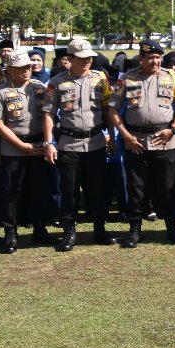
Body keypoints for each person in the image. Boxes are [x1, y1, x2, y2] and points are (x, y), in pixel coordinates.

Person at [109, 41, 175, 247]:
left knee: (167, 187)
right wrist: (126, 136)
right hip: (136, 141)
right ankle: (135, 230)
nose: (154, 61)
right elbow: (112, 110)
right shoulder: (127, 78)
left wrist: (173, 130)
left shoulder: (170, 76)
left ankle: (172, 228)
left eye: (157, 57)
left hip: (165, 139)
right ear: (141, 59)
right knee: (136, 188)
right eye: (150, 58)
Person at [43, 37, 116, 251]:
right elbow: (48, 114)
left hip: (95, 143)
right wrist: (49, 142)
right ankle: (69, 232)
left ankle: (99, 229)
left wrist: (110, 137)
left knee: (97, 189)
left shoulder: (100, 79)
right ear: (70, 58)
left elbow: (107, 110)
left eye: (89, 58)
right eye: (82, 58)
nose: (87, 62)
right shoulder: (56, 82)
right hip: (68, 144)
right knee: (69, 190)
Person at [0, 49, 54, 252]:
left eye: (28, 67)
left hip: (37, 146)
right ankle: (11, 233)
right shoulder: (0, 92)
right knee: (11, 192)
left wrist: (45, 143)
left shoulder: (40, 88)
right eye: (20, 68)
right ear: (9, 69)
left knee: (39, 190)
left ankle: (39, 229)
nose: (26, 70)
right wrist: (20, 145)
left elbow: (49, 116)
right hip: (13, 148)